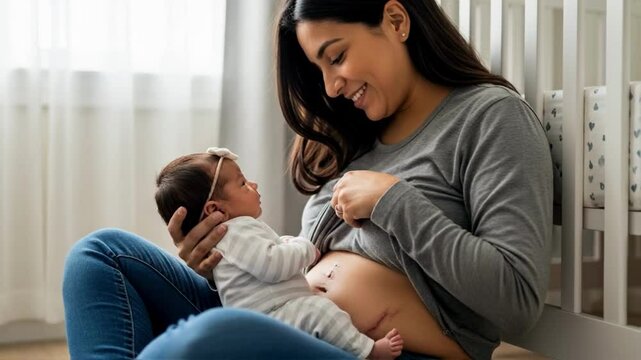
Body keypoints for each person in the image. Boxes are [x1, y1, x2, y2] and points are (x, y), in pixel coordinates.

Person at [62, 0, 553, 359]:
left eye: (335, 57)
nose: (331, 88)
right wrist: (218, 264)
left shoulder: (489, 118)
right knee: (99, 255)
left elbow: (516, 302)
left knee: (205, 339)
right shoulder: (353, 139)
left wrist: (393, 201)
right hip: (279, 315)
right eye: (319, 69)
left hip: (383, 351)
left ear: (397, 20)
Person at [153, 147, 404, 359]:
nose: (253, 185)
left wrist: (287, 244)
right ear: (215, 209)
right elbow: (272, 264)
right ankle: (368, 352)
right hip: (273, 315)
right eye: (242, 184)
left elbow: (266, 253)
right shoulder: (235, 231)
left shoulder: (236, 232)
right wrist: (305, 248)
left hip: (277, 310)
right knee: (320, 312)